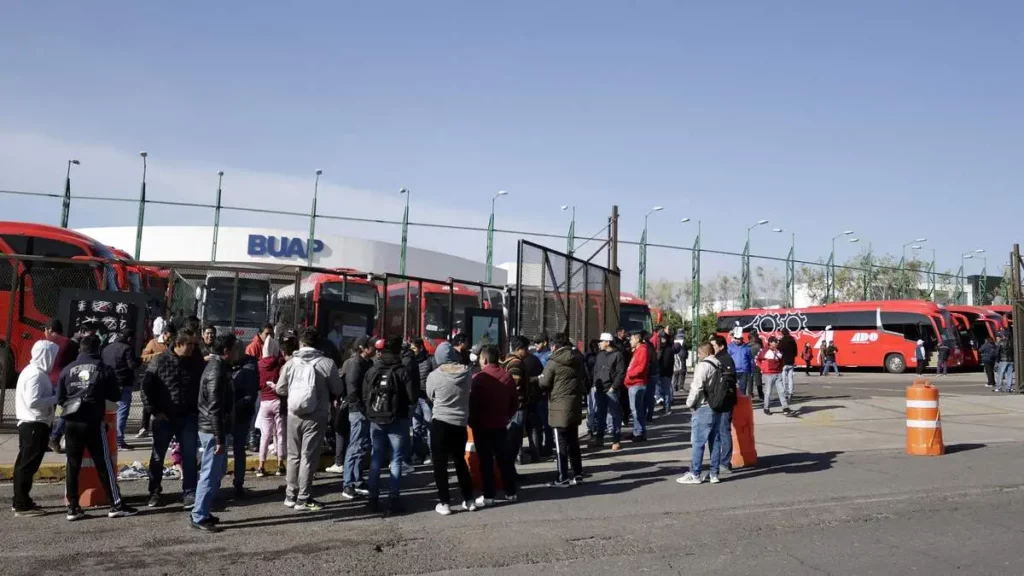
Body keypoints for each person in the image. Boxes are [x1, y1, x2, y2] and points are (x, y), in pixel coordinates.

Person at [58, 335, 138, 521]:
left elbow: (60, 399)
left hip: (71, 423)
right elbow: (116, 395)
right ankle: (115, 504)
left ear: (80, 349)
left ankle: (72, 507)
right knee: (104, 464)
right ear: (97, 350)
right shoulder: (103, 368)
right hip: (93, 422)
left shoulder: (67, 370)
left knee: (72, 465)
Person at [275, 328, 343, 511]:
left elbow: (280, 390)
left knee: (293, 456)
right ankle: (303, 497)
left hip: (294, 414)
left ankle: (290, 495)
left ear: (301, 343)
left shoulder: (290, 364)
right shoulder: (327, 363)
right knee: (309, 457)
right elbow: (338, 389)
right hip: (317, 415)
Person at [142, 329, 201, 509]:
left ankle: (189, 492)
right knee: (158, 457)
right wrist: (154, 410)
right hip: (164, 418)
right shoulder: (159, 361)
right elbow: (146, 388)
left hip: (188, 417)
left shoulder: (195, 363)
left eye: (194, 344)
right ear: (177, 344)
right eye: (189, 344)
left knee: (189, 457)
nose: (192, 348)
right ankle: (154, 492)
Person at [362, 336, 416, 515]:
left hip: (376, 419)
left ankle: (372, 498)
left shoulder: (373, 369)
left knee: (376, 458)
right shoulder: (402, 370)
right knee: (396, 459)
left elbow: (365, 395)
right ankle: (393, 499)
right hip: (398, 419)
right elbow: (411, 397)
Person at [191, 334, 238, 532]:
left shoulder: (218, 368)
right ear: (226, 352)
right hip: (212, 431)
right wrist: (219, 437)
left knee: (215, 473)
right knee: (209, 474)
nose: (238, 352)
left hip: (215, 429)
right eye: (235, 349)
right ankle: (199, 515)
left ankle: (204, 511)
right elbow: (214, 407)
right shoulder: (216, 372)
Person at [426, 341, 475, 515]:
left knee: (440, 465)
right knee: (460, 462)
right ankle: (469, 500)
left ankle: (445, 503)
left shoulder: (434, 375)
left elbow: (430, 395)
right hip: (460, 423)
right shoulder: (467, 373)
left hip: (440, 421)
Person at [12, 340, 59, 517]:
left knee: (25, 464)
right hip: (34, 423)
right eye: (52, 356)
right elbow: (33, 401)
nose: (53, 360)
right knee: (27, 465)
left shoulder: (32, 371)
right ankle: (21, 504)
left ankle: (22, 500)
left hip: (32, 423)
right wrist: (56, 398)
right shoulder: (36, 375)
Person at [470, 346, 518, 507]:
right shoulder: (507, 376)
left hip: (481, 426)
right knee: (504, 459)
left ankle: (489, 495)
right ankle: (511, 492)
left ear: (484, 359)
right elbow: (514, 403)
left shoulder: (478, 378)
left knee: (486, 461)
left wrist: (472, 421)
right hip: (500, 425)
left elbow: (472, 404)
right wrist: (506, 416)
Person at [539, 333, 586, 487]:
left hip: (559, 407)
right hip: (575, 405)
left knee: (561, 444)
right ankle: (578, 474)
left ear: (554, 346)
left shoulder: (553, 362)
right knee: (574, 442)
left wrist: (537, 380)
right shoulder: (578, 359)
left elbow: (545, 383)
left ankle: (562, 477)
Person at [676, 342, 725, 485]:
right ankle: (714, 474)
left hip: (704, 406)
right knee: (715, 441)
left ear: (705, 352)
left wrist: (689, 403)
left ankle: (695, 473)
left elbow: (697, 386)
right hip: (717, 406)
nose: (697, 355)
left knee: (698, 442)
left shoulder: (703, 365)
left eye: (699, 353)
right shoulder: (719, 364)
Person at [338, 337, 374, 499]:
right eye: (371, 346)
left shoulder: (367, 363)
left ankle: (358, 480)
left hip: (365, 411)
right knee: (355, 447)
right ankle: (348, 483)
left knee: (362, 447)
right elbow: (352, 390)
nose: (374, 348)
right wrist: (361, 409)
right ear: (363, 348)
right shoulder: (355, 364)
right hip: (358, 411)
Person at [504, 336, 542, 463]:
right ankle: (512, 463)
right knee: (515, 435)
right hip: (519, 406)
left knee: (515, 435)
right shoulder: (516, 363)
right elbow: (515, 383)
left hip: (516, 405)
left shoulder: (509, 360)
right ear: (519, 349)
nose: (527, 352)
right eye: (525, 349)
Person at [45, 319, 80, 454]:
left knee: (48, 413)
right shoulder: (69, 343)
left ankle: (46, 440)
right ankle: (55, 437)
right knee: (68, 410)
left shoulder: (45, 343)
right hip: (64, 381)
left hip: (47, 380)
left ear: (49, 329)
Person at [137, 323, 176, 439]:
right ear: (163, 334)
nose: (170, 339)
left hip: (169, 378)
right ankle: (144, 427)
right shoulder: (153, 343)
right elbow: (143, 357)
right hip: (155, 378)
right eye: (168, 337)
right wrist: (156, 355)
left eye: (172, 337)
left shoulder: (174, 344)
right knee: (148, 403)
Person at [101, 329, 139, 451]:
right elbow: (131, 365)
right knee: (122, 410)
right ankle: (118, 440)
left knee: (108, 411)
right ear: (129, 339)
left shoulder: (107, 348)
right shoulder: (127, 348)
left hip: (108, 383)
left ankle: (106, 438)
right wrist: (140, 360)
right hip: (123, 382)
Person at [256, 335, 288, 477]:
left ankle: (261, 466)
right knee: (280, 434)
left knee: (265, 435)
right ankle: (280, 465)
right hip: (278, 401)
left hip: (264, 402)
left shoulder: (259, 364)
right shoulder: (280, 362)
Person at [230, 344, 259, 498]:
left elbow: (250, 396)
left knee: (238, 449)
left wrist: (233, 407)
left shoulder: (249, 369)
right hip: (231, 414)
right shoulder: (231, 365)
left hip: (240, 415)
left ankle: (238, 483)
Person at [592, 332, 626, 451]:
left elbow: (621, 373)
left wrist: (614, 387)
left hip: (611, 390)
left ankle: (616, 439)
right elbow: (596, 370)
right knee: (600, 414)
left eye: (601, 341)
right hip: (600, 389)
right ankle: (599, 438)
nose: (599, 343)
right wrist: (595, 384)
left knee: (615, 415)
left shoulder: (618, 355)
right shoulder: (600, 355)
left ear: (607, 342)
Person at [709, 335, 738, 470]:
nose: (711, 348)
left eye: (713, 346)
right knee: (719, 431)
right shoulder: (718, 359)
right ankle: (721, 461)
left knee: (723, 431)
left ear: (721, 346)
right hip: (719, 400)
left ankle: (725, 462)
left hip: (724, 401)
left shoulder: (724, 360)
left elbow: (727, 383)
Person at [408, 337, 435, 465]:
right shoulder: (410, 360)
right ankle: (418, 453)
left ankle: (431, 453)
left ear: (420, 347)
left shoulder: (429, 360)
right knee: (416, 426)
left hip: (426, 397)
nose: (412, 351)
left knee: (429, 425)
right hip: (415, 397)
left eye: (414, 348)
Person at [624, 330, 650, 442]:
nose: (630, 341)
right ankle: (638, 431)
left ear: (637, 339)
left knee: (636, 410)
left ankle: (638, 432)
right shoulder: (639, 350)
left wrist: (629, 374)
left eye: (632, 339)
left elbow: (641, 367)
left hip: (637, 383)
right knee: (636, 409)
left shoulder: (642, 350)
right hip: (634, 383)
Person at [758, 337, 790, 416]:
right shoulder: (764, 351)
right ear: (770, 342)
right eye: (775, 342)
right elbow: (758, 360)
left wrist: (781, 368)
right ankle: (766, 407)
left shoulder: (778, 351)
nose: (776, 343)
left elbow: (781, 361)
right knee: (768, 392)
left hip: (778, 373)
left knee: (781, 391)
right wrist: (762, 368)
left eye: (777, 342)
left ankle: (785, 407)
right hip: (768, 374)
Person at [656, 331, 675, 415]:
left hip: (665, 372)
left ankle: (667, 408)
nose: (660, 340)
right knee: (665, 390)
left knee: (666, 391)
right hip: (666, 372)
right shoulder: (667, 348)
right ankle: (666, 407)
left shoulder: (667, 349)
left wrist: (660, 371)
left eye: (662, 338)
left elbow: (665, 362)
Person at [778, 328, 798, 401]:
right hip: (791, 361)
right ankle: (790, 393)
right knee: (790, 378)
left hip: (784, 362)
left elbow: (778, 350)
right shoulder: (793, 341)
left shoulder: (782, 341)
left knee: (783, 379)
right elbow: (796, 352)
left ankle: (784, 393)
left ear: (782, 333)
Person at [748, 332, 764, 399]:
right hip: (756, 364)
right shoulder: (758, 346)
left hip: (749, 365)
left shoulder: (746, 346)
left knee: (750, 380)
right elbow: (762, 355)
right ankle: (760, 394)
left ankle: (750, 394)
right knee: (758, 380)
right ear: (754, 338)